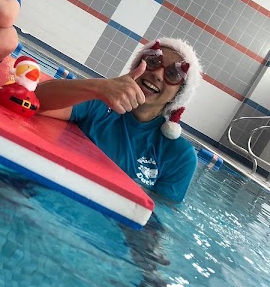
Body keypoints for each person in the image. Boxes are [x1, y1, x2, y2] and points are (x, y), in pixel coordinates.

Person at [35, 38, 203, 202]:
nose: (158, 74)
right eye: (153, 61)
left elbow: (155, 218)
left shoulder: (179, 155)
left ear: (178, 94)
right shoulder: (98, 102)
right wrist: (98, 87)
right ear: (138, 66)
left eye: (173, 74)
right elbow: (34, 100)